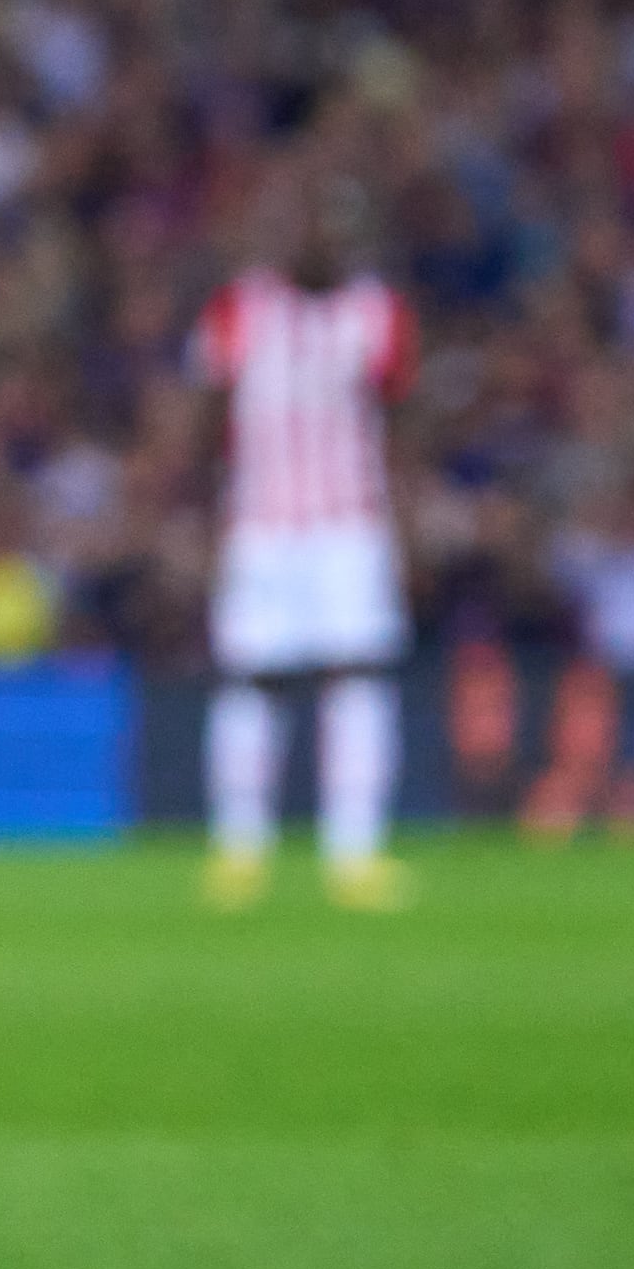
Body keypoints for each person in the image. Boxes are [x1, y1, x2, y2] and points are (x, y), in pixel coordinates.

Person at [192, 174, 417, 910]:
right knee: (251, 680)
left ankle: (354, 852)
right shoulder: (240, 310)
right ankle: (239, 850)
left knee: (358, 678)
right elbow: (204, 413)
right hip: (263, 524)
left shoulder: (377, 312)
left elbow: (403, 420)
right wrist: (204, 512)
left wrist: (402, 522)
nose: (317, 240)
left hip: (350, 522)